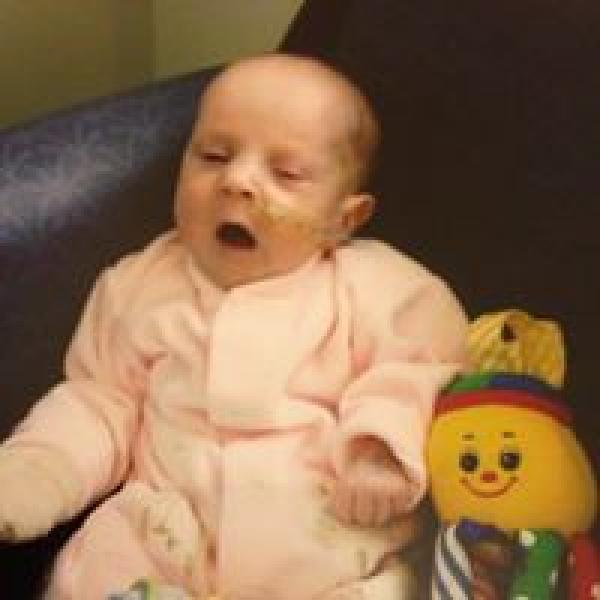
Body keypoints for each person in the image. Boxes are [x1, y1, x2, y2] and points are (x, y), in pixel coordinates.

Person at [0, 53, 467, 599]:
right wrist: (34, 476)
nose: (238, 181)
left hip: (329, 541)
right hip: (169, 535)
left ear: (344, 218)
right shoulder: (138, 286)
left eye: (286, 174)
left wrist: (379, 449)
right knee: (96, 569)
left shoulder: (379, 288)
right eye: (214, 157)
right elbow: (98, 401)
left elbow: (425, 367)